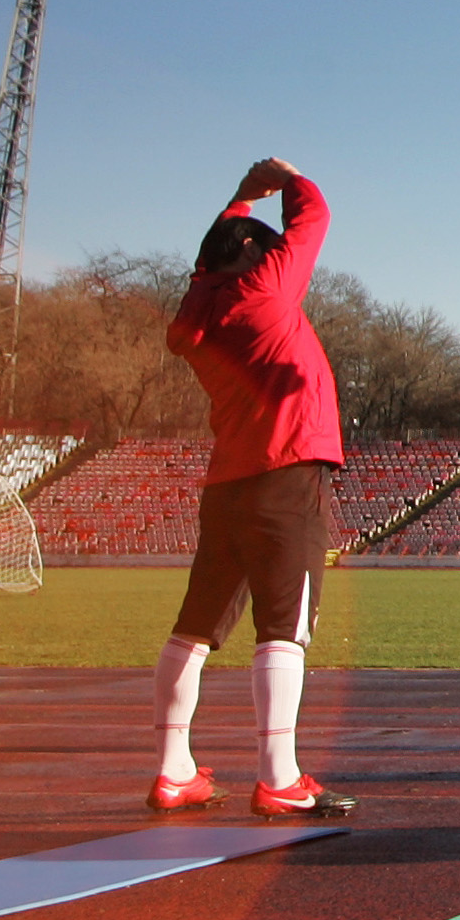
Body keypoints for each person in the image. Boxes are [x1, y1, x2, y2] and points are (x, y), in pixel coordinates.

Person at [151, 157, 354, 818]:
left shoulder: (195, 316)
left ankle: (173, 768)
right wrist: (288, 178)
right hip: (286, 475)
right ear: (251, 257)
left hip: (229, 483)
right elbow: (314, 215)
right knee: (282, 629)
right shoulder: (263, 292)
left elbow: (205, 271)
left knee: (194, 629)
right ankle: (279, 775)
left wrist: (240, 199)